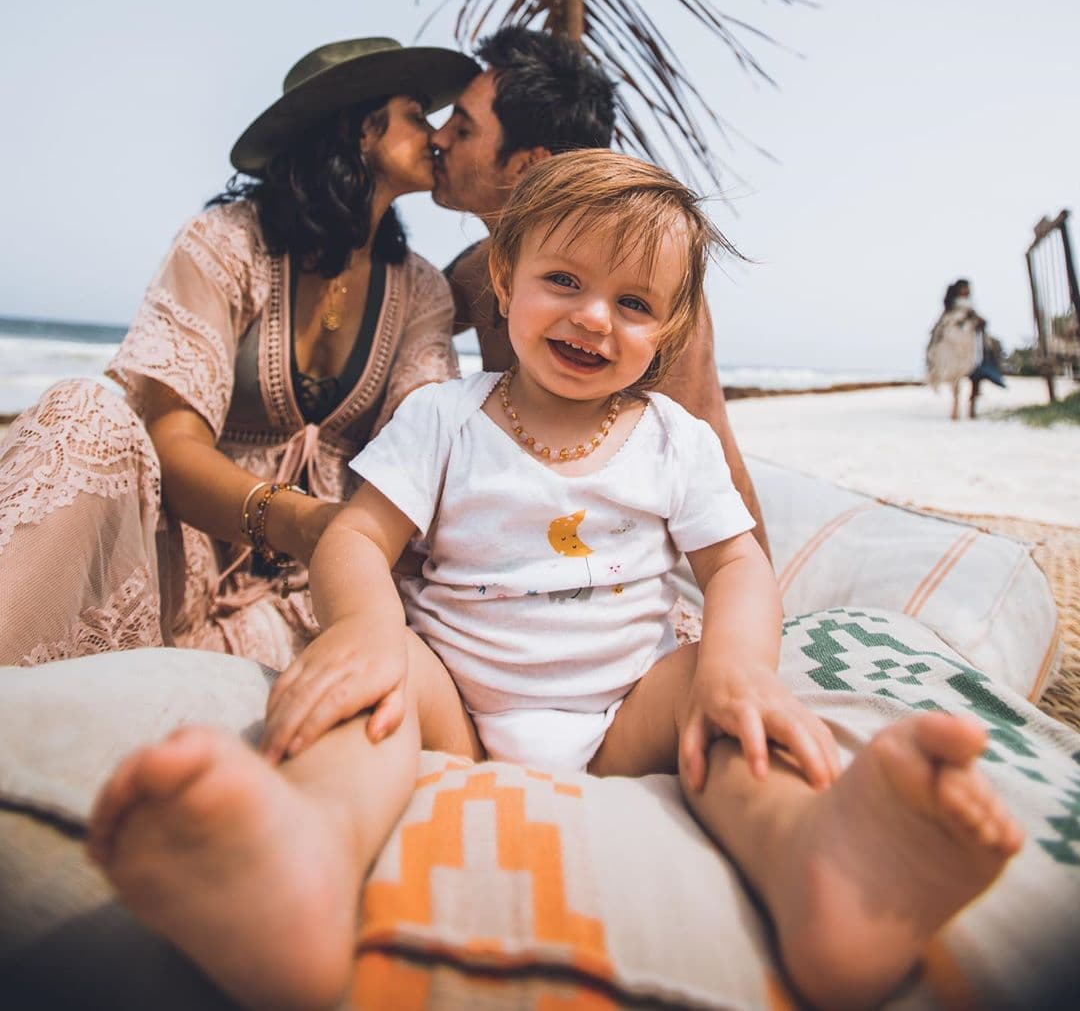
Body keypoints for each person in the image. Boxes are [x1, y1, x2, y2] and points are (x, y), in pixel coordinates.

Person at [88, 151, 1021, 1011]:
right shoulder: (444, 418)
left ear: (670, 328)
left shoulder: (671, 440)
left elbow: (737, 562)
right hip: (457, 707)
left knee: (727, 703)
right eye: (563, 281)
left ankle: (824, 865)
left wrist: (741, 667)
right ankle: (301, 857)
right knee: (373, 682)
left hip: (627, 720)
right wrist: (366, 629)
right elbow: (356, 540)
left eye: (633, 303)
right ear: (504, 280)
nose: (592, 317)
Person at [0, 37, 479, 668]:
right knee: (85, 412)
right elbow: (173, 445)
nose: (437, 135)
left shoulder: (420, 289)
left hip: (320, 593)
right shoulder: (228, 244)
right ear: (360, 130)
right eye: (417, 115)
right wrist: (302, 523)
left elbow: (420, 436)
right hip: (185, 556)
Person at [430, 26, 770, 555]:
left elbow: (701, 476)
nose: (438, 138)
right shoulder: (476, 270)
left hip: (667, 559)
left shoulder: (647, 296)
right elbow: (400, 320)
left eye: (463, 127)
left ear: (528, 165)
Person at [926, 278, 987, 421]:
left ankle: (971, 408)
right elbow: (944, 326)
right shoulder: (951, 309)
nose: (966, 291)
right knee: (955, 377)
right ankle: (955, 407)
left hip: (970, 345)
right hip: (953, 345)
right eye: (964, 288)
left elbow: (979, 323)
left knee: (976, 375)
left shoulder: (970, 308)